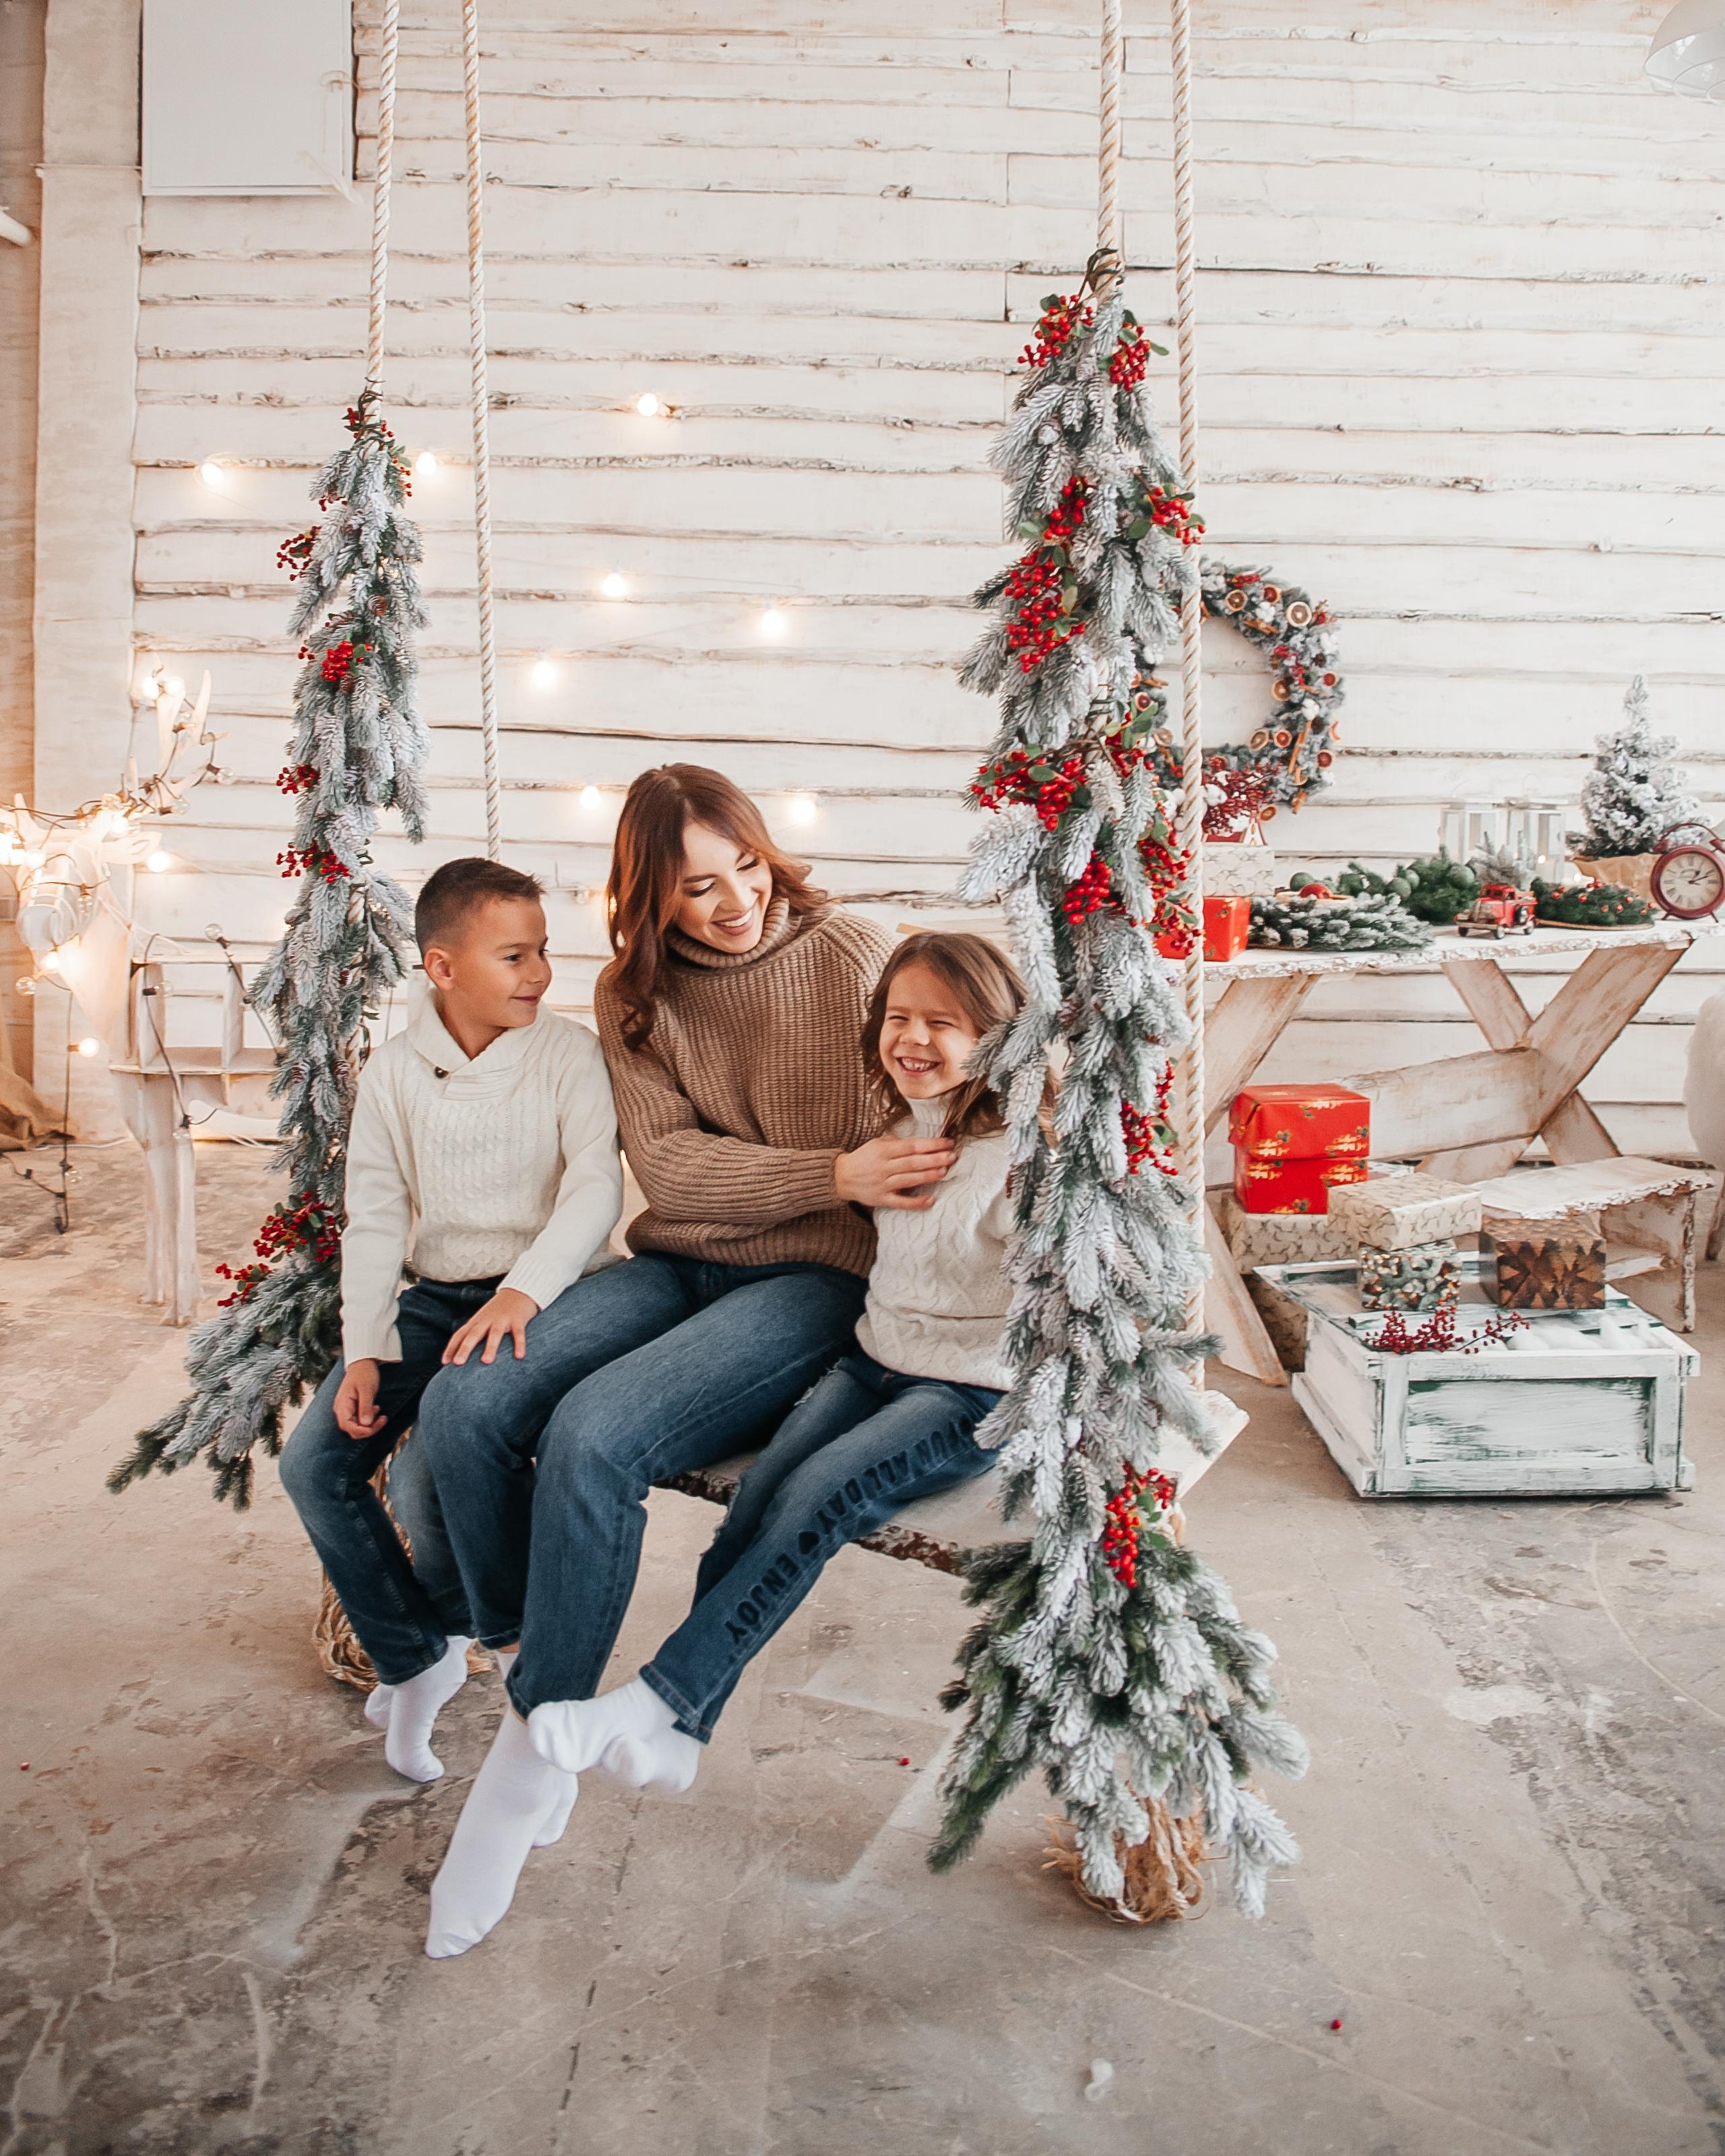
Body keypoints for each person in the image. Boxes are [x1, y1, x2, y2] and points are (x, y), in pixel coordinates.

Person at [418, 765, 956, 1959]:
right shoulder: (629, 996)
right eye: (698, 888)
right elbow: (672, 1173)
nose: (735, 905)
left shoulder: (855, 952)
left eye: (748, 870)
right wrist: (829, 1170)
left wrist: (857, 1187)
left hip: (816, 1275)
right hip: (679, 1256)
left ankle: (524, 1751)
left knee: (595, 1436)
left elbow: (935, 1090)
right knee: (465, 1399)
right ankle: (533, 1657)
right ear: (646, 896)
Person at [525, 932, 1021, 1795]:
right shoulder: (901, 1126)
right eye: (898, 1017)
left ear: (997, 1035)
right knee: (759, 1494)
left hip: (968, 1389)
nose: (914, 1038)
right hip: (877, 1358)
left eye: (944, 1022)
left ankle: (657, 1697)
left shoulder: (1025, 1155)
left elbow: (1085, 1284)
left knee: (818, 1491)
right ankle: (683, 1730)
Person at [277, 856, 622, 1788]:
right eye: (515, 956)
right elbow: (379, 1216)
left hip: (548, 1291)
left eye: (543, 952)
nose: (541, 974)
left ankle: (494, 1640)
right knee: (313, 1464)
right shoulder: (395, 1073)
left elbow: (595, 1187)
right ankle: (413, 1656)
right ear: (442, 967)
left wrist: (526, 1290)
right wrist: (363, 1351)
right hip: (433, 1298)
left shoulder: (567, 1055)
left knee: (432, 1479)